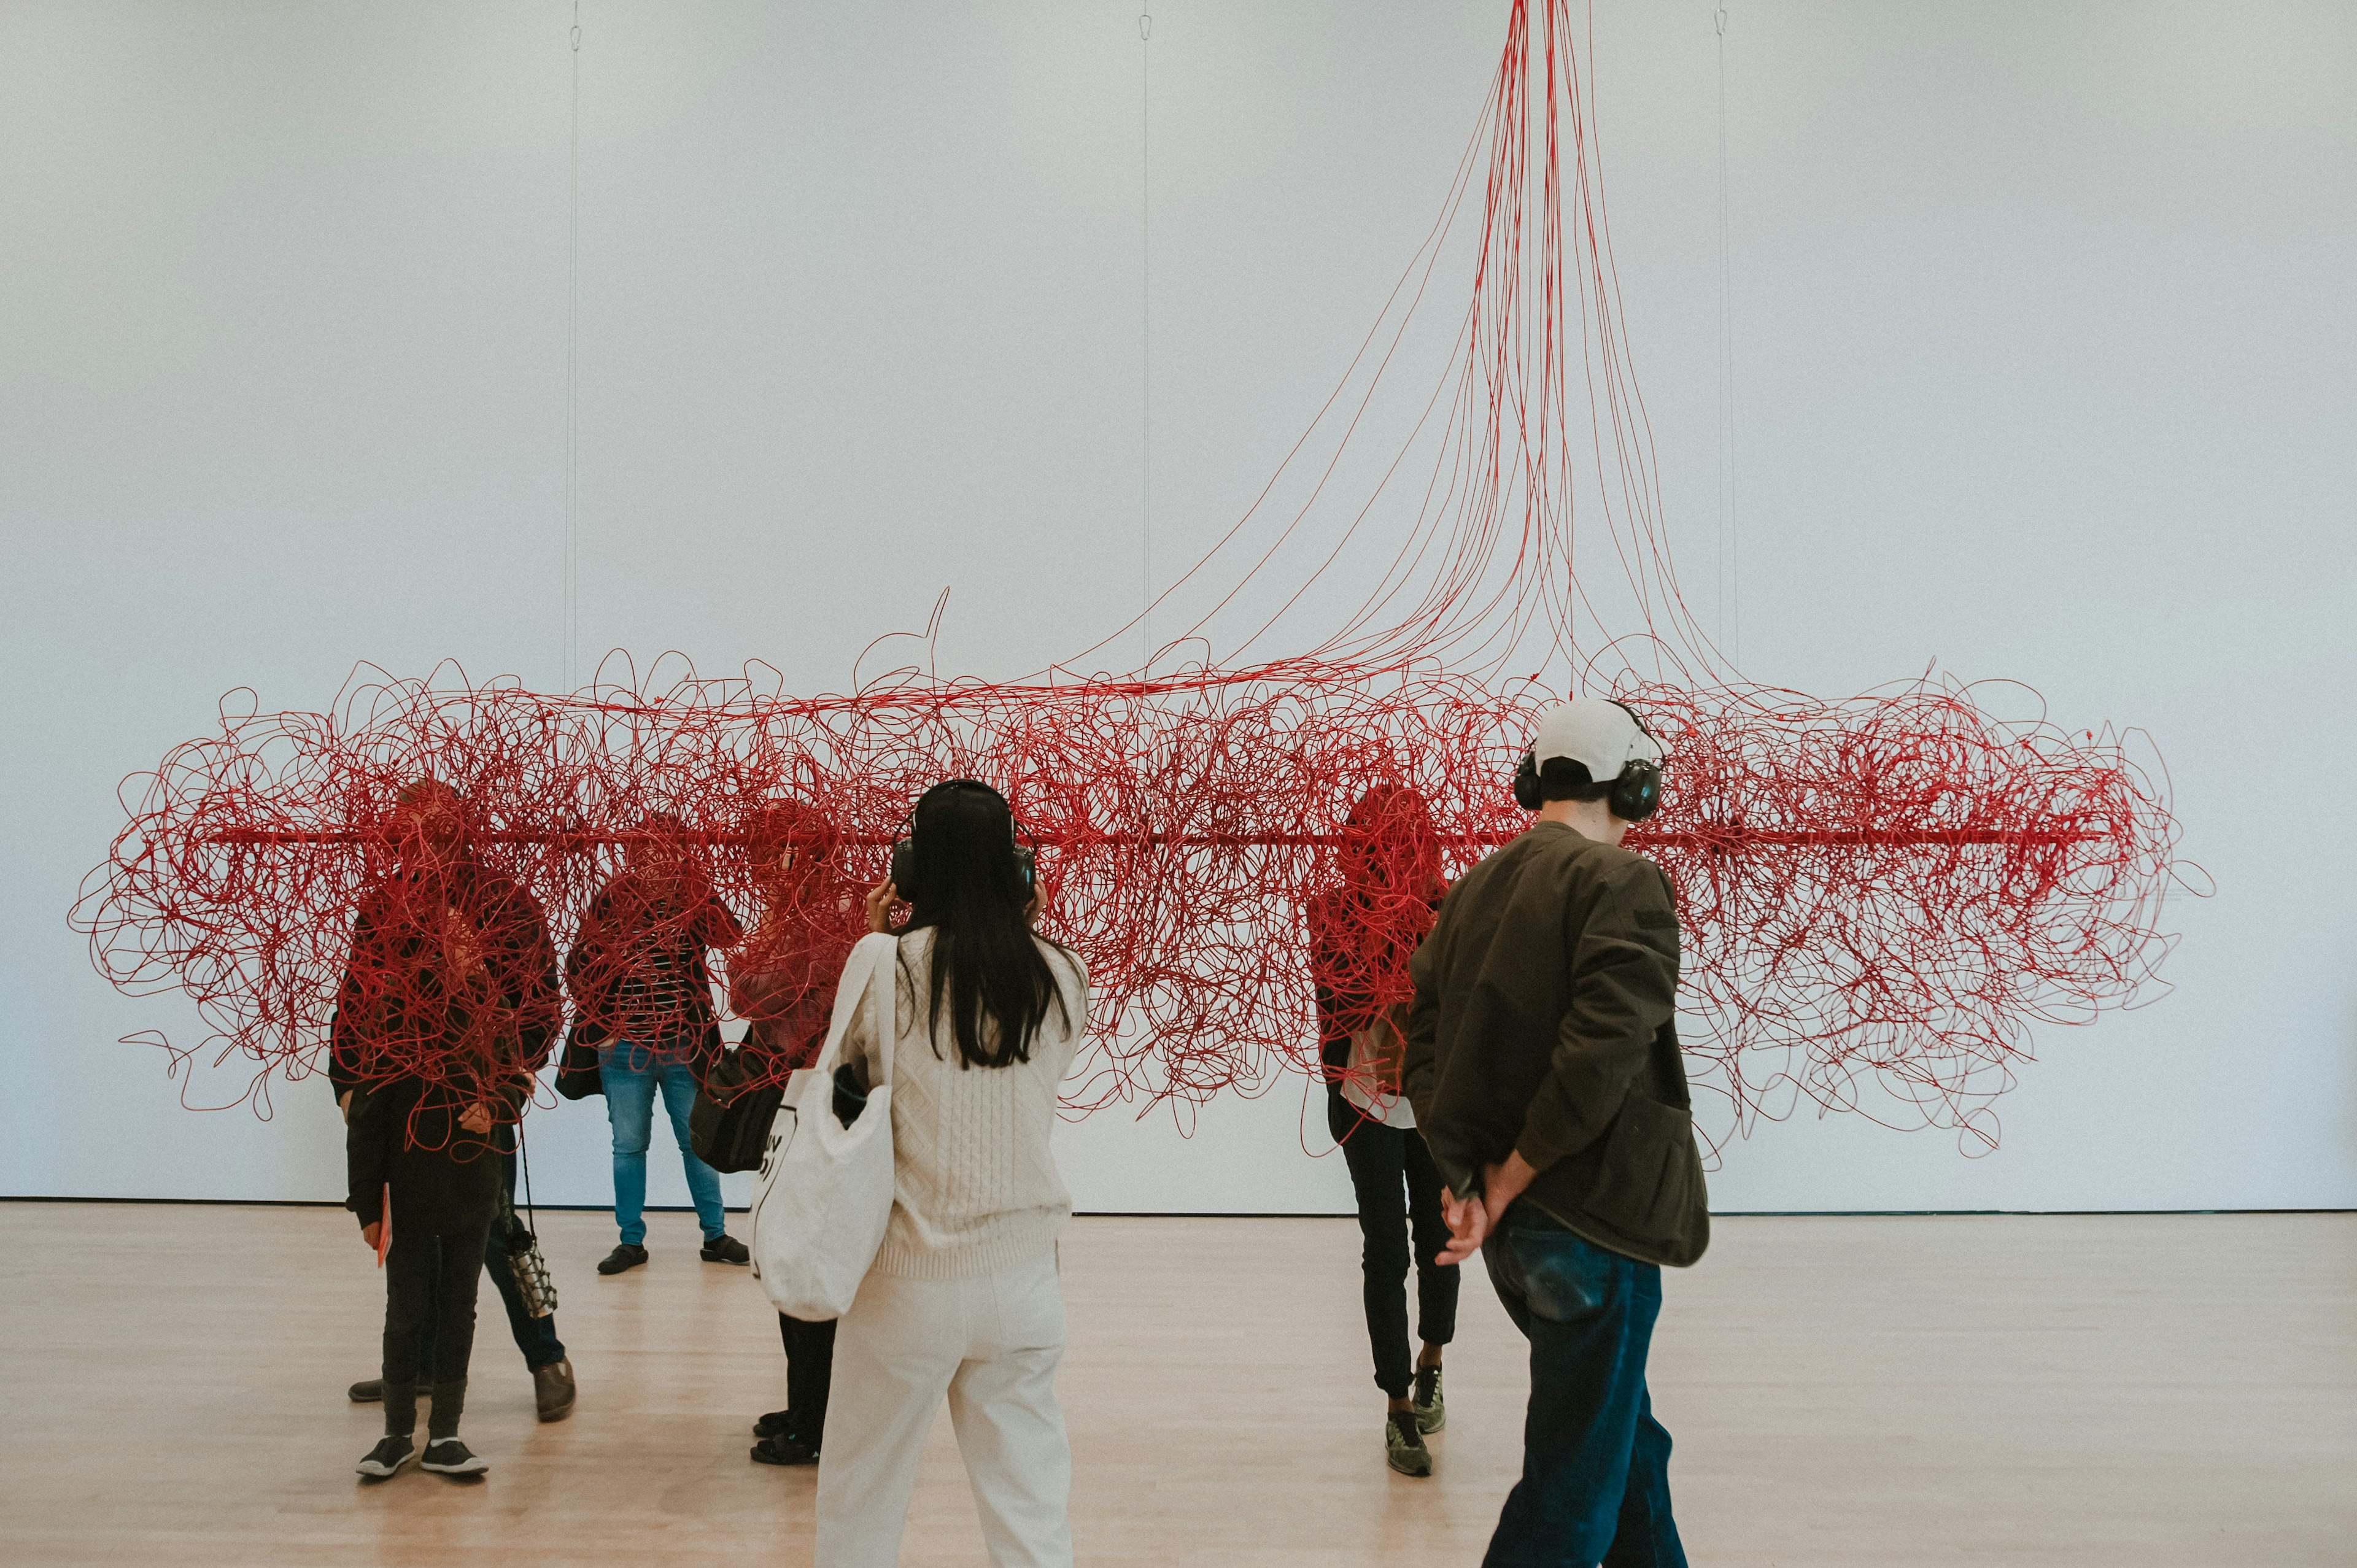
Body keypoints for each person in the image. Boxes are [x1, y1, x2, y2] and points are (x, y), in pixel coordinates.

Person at [1403, 699, 1709, 1567]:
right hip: (1591, 1223)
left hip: (1519, 1239)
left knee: (1626, 1445)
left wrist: (1467, 1178)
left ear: (1537, 780)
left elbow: (1424, 1050)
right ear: (1637, 786)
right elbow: (1597, 1058)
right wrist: (1500, 1182)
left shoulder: (1472, 890)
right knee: (1570, 1492)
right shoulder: (1625, 883)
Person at [817, 779, 1088, 1567]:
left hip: (906, 1277)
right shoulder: (1061, 973)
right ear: (1016, 867)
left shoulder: (884, 964)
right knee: (1032, 1511)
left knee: (860, 1501)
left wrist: (872, 943)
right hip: (1025, 1283)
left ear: (912, 869)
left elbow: (842, 1078)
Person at [333, 778, 563, 1478]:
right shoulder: (386, 904)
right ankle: (421, 1375)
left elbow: (540, 1003)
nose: (422, 842)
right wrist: (348, 1087)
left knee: (494, 1230)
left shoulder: (505, 904)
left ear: (462, 830)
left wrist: (508, 1091)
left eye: (435, 828)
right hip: (407, 1114)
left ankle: (547, 1356)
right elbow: (357, 1000)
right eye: (410, 830)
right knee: (415, 1253)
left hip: (476, 1107)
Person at [1308, 784, 1458, 1478]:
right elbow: (1346, 997)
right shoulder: (1334, 911)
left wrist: (1431, 916)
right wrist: (1388, 921)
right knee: (1385, 1248)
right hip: (1365, 1096)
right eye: (1377, 843)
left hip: (1429, 1102)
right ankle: (1397, 1406)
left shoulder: (1451, 909)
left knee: (1440, 1240)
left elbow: (1461, 1001)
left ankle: (1431, 1361)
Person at [726, 798, 867, 1467]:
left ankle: (813, 1424)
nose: (755, 866)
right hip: (800, 1109)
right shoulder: (826, 920)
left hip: (811, 1112)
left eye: (766, 852)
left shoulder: (817, 927)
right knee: (792, 1253)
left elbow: (751, 995)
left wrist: (772, 922)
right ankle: (805, 1405)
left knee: (803, 1257)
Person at [567, 811, 751, 1274]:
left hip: (683, 1047)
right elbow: (576, 966)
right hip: (625, 1050)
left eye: (666, 850)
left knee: (698, 1141)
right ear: (631, 855)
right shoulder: (612, 899)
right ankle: (631, 1241)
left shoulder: (692, 897)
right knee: (629, 1145)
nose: (654, 860)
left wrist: (696, 885)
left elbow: (732, 934)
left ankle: (715, 1235)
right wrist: (605, 1027)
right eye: (645, 850)